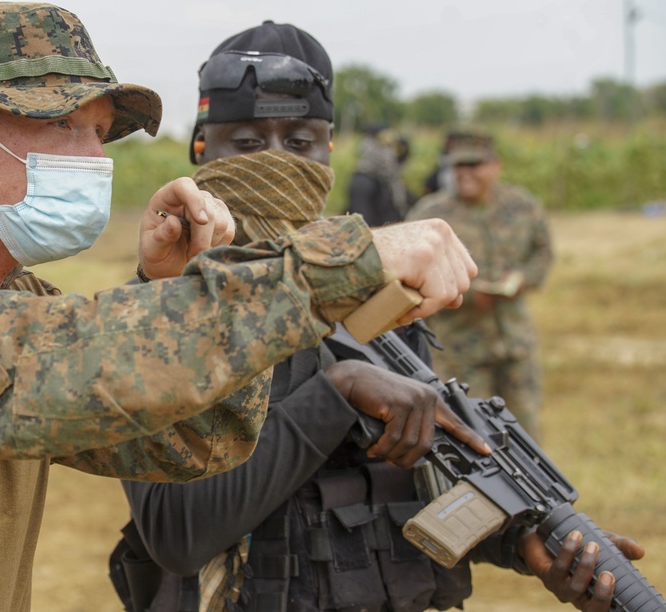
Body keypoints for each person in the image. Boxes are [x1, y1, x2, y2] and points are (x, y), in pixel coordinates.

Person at [0, 4, 481, 611]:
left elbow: (188, 445)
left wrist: (164, 288)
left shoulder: (12, 301)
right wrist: (344, 264)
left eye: (101, 134)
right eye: (63, 125)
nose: (94, 159)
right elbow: (53, 361)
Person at [112, 20, 640, 612]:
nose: (279, 161)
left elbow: (402, 488)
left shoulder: (376, 286)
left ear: (330, 149)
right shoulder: (163, 303)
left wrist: (519, 542)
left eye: (301, 141)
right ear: (201, 149)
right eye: (251, 142)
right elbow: (177, 534)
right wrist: (338, 392)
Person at [407, 129, 553, 441]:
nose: (466, 173)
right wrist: (468, 294)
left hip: (514, 343)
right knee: (472, 436)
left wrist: (522, 279)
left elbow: (542, 252)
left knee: (525, 436)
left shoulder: (522, 206)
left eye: (475, 165)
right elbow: (408, 276)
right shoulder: (430, 215)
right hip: (460, 351)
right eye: (459, 166)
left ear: (495, 166)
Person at [346, 125, 417, 227]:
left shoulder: (368, 145)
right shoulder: (377, 146)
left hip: (370, 182)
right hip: (368, 183)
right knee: (364, 221)